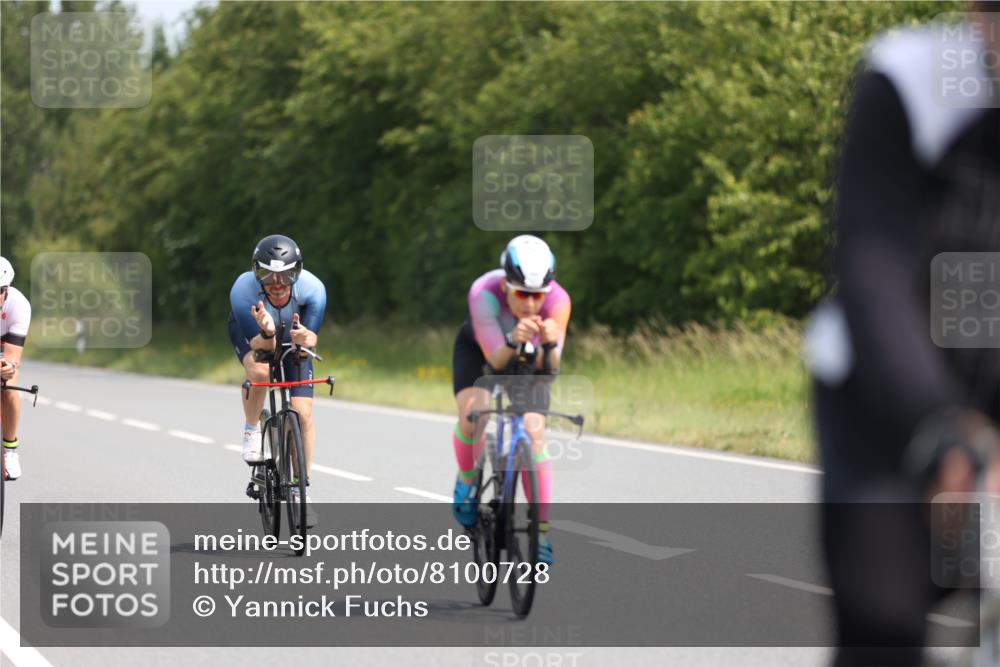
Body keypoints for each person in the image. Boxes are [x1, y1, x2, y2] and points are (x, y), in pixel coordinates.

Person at [807, 4, 1000, 664]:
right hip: (886, 391)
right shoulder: (911, 77)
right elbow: (873, 268)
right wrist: (943, 425)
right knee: (882, 620)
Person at [450, 235, 571, 565]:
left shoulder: (559, 301)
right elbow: (493, 366)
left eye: (538, 296)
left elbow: (550, 373)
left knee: (534, 433)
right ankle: (467, 480)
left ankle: (541, 531)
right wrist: (511, 338)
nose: (531, 304)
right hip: (483, 351)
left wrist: (548, 346)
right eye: (522, 294)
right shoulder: (484, 292)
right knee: (476, 410)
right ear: (506, 284)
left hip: (529, 355)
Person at [228, 235, 327, 527]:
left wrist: (306, 337)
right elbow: (263, 350)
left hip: (292, 337)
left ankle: (299, 489)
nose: (277, 285)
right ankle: (252, 429)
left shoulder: (314, 290)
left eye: (286, 276)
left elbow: (312, 340)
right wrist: (269, 333)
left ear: (298, 272)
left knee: (303, 412)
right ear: (255, 272)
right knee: (259, 372)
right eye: (267, 276)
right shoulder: (243, 291)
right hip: (259, 336)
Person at [0, 256, 31, 481]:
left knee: (9, 385)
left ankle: (10, 450)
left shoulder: (19, 305)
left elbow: (12, 357)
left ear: (7, 289)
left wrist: (7, 368)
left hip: (3, 351)